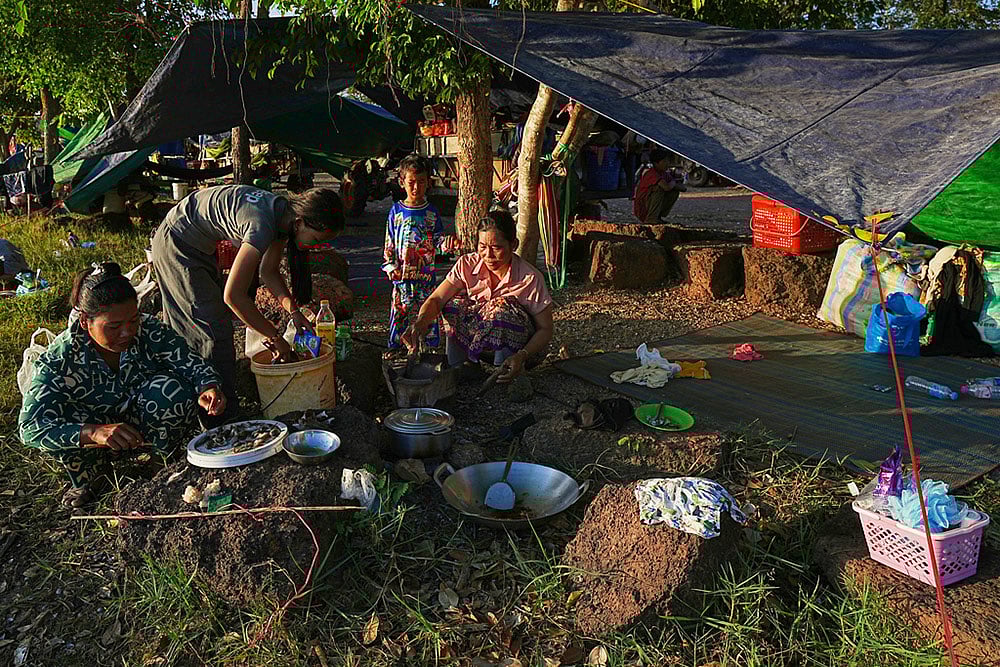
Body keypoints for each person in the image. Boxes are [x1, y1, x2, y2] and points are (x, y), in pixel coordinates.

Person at [19, 263, 226, 507]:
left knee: (170, 390)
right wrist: (94, 432)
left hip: (141, 422)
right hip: (93, 436)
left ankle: (162, 462)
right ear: (85, 321)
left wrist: (207, 387)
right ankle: (91, 476)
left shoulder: (149, 330)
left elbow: (190, 363)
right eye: (114, 327)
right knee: (60, 426)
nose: (127, 332)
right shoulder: (58, 359)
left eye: (133, 320)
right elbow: (30, 427)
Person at [151, 185, 344, 423]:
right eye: (314, 239)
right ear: (300, 222)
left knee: (208, 325)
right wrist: (276, 338)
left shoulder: (282, 216)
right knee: (210, 332)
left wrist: (294, 312)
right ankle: (218, 419)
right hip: (178, 245)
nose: (312, 246)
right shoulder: (262, 225)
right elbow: (233, 296)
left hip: (195, 244)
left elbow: (269, 271)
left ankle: (207, 408)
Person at [402, 211, 554, 383]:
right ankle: (462, 366)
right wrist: (421, 322)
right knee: (453, 304)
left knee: (500, 309)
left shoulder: (529, 278)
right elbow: (437, 299)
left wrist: (522, 355)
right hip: (479, 341)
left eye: (496, 248)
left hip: (522, 350)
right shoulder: (467, 265)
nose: (488, 255)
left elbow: (545, 329)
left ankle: (504, 372)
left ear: (513, 245)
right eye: (482, 247)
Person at [382, 154, 444, 350]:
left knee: (429, 314)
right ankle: (396, 348)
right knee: (399, 313)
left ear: (428, 183)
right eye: (411, 182)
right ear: (402, 183)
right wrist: (391, 267)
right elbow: (389, 243)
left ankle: (430, 348)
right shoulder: (396, 212)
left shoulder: (432, 212)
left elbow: (438, 241)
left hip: (425, 277)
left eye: (421, 182)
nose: (416, 187)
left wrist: (449, 244)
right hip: (401, 277)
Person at [633, 148, 686, 224]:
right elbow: (666, 187)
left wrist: (673, 184)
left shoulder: (664, 173)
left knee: (674, 191)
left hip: (650, 205)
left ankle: (657, 217)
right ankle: (651, 218)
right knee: (659, 188)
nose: (667, 163)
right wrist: (673, 183)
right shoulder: (651, 173)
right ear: (656, 163)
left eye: (667, 161)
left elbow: (683, 188)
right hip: (642, 208)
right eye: (664, 161)